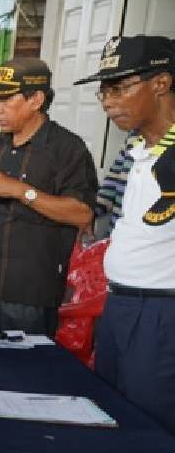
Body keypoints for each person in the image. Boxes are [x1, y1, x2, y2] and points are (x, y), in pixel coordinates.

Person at [0, 58, 98, 337]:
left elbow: (82, 213)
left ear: (36, 99)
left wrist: (21, 190)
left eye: (6, 100)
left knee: (23, 374)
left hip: (28, 293)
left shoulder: (68, 149)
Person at [76, 35, 175, 433]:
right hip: (120, 304)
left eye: (119, 88)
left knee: (152, 428)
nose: (107, 101)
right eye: (103, 92)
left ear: (161, 83)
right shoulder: (135, 147)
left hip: (162, 312)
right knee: (114, 416)